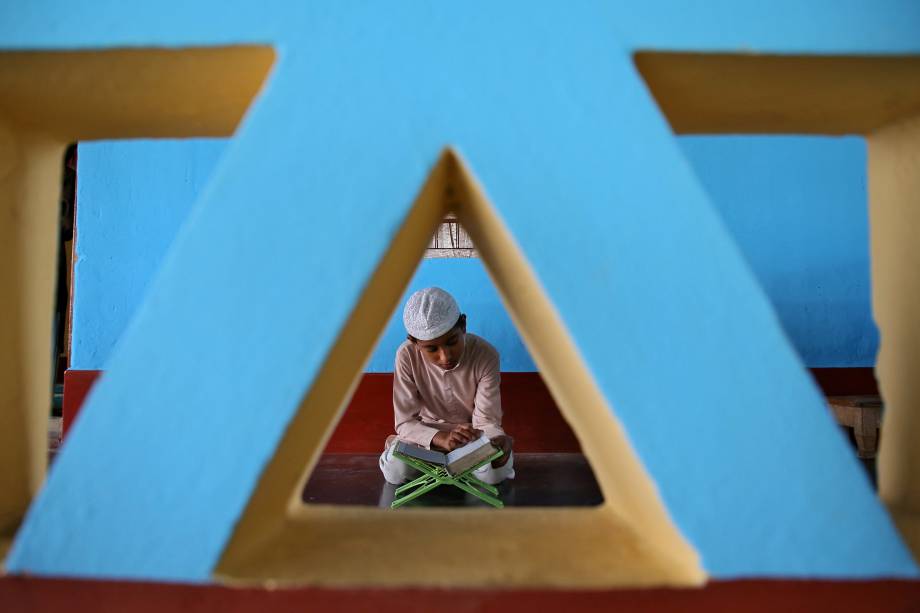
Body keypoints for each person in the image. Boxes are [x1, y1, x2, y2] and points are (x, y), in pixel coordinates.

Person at [379, 287, 514, 486]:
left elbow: (486, 421)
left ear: (463, 325)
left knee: (492, 474)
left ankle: (446, 469)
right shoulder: (406, 355)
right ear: (414, 342)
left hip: (470, 441)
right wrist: (441, 438)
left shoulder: (486, 354)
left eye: (452, 342)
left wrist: (497, 440)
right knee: (396, 471)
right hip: (425, 439)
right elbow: (405, 422)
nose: (445, 356)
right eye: (432, 349)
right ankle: (401, 449)